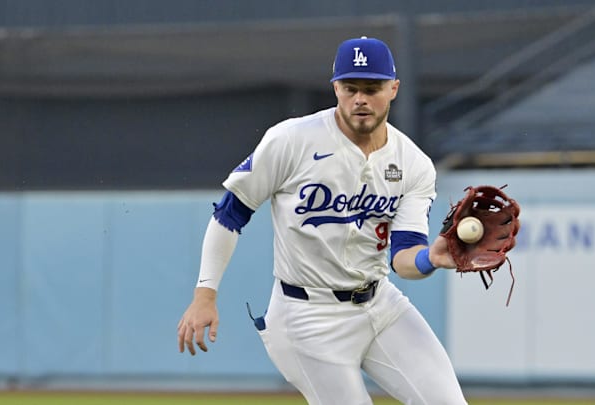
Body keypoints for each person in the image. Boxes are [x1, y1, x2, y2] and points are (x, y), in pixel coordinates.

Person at [177, 36, 468, 404]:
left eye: (372, 87)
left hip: (380, 304)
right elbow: (230, 213)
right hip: (306, 317)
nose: (360, 98)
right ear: (336, 88)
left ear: (393, 89)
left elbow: (404, 256)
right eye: (350, 87)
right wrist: (205, 294)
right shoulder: (291, 140)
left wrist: (433, 258)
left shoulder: (413, 163)